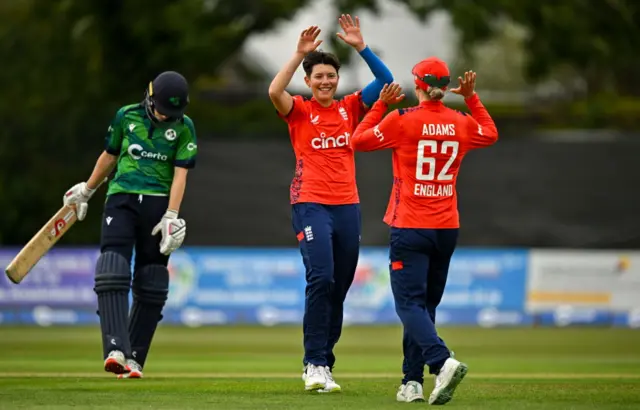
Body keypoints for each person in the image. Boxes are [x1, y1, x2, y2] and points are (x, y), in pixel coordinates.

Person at [350, 58, 499, 404]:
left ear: (417, 84)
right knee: (424, 308)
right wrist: (472, 99)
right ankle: (412, 382)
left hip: (410, 225)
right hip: (446, 227)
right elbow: (490, 133)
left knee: (409, 304)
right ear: (445, 88)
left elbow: (357, 141)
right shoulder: (460, 121)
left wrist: (382, 104)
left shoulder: (402, 120)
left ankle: (441, 360)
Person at [267, 14, 394, 392]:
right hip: (310, 204)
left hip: (347, 207)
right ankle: (314, 363)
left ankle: (324, 361)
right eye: (318, 76)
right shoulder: (300, 110)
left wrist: (360, 47)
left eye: (330, 76)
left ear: (337, 80)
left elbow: (387, 82)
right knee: (320, 277)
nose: (325, 81)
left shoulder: (351, 106)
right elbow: (275, 92)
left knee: (338, 287)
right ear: (307, 82)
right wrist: (298, 54)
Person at [62, 71, 197, 379]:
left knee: (152, 279)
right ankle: (114, 348)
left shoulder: (185, 126)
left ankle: (135, 358)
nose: (166, 116)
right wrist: (88, 189)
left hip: (158, 204)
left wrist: (172, 215)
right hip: (121, 198)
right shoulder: (126, 116)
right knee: (112, 267)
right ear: (150, 97)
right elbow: (110, 156)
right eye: (162, 108)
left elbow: (181, 174)